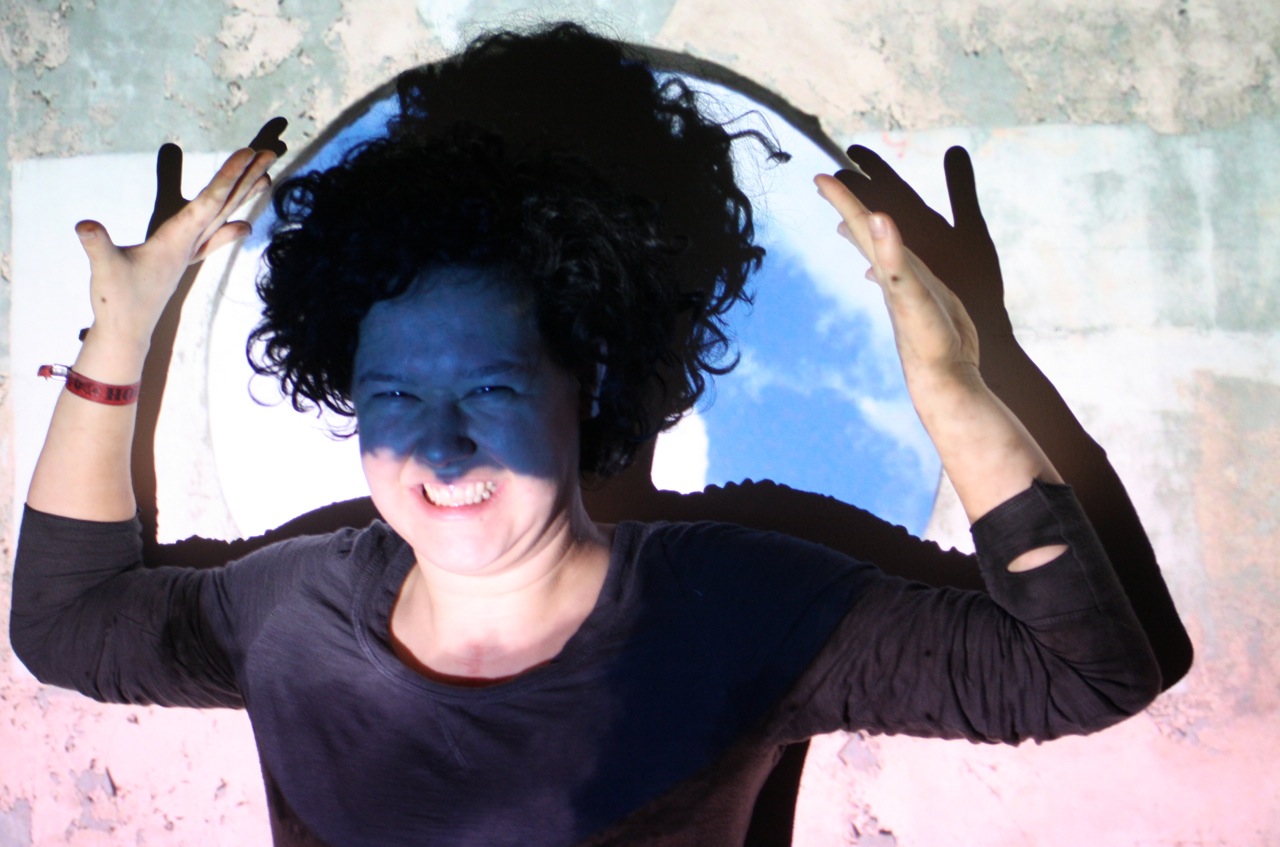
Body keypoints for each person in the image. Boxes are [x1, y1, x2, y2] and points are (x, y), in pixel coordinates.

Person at [11, 22, 1162, 847]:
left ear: (587, 383)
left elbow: (1079, 674)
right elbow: (64, 625)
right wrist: (119, 338)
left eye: (491, 388)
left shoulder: (730, 609)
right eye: (394, 395)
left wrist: (956, 389)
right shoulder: (288, 613)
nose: (440, 449)